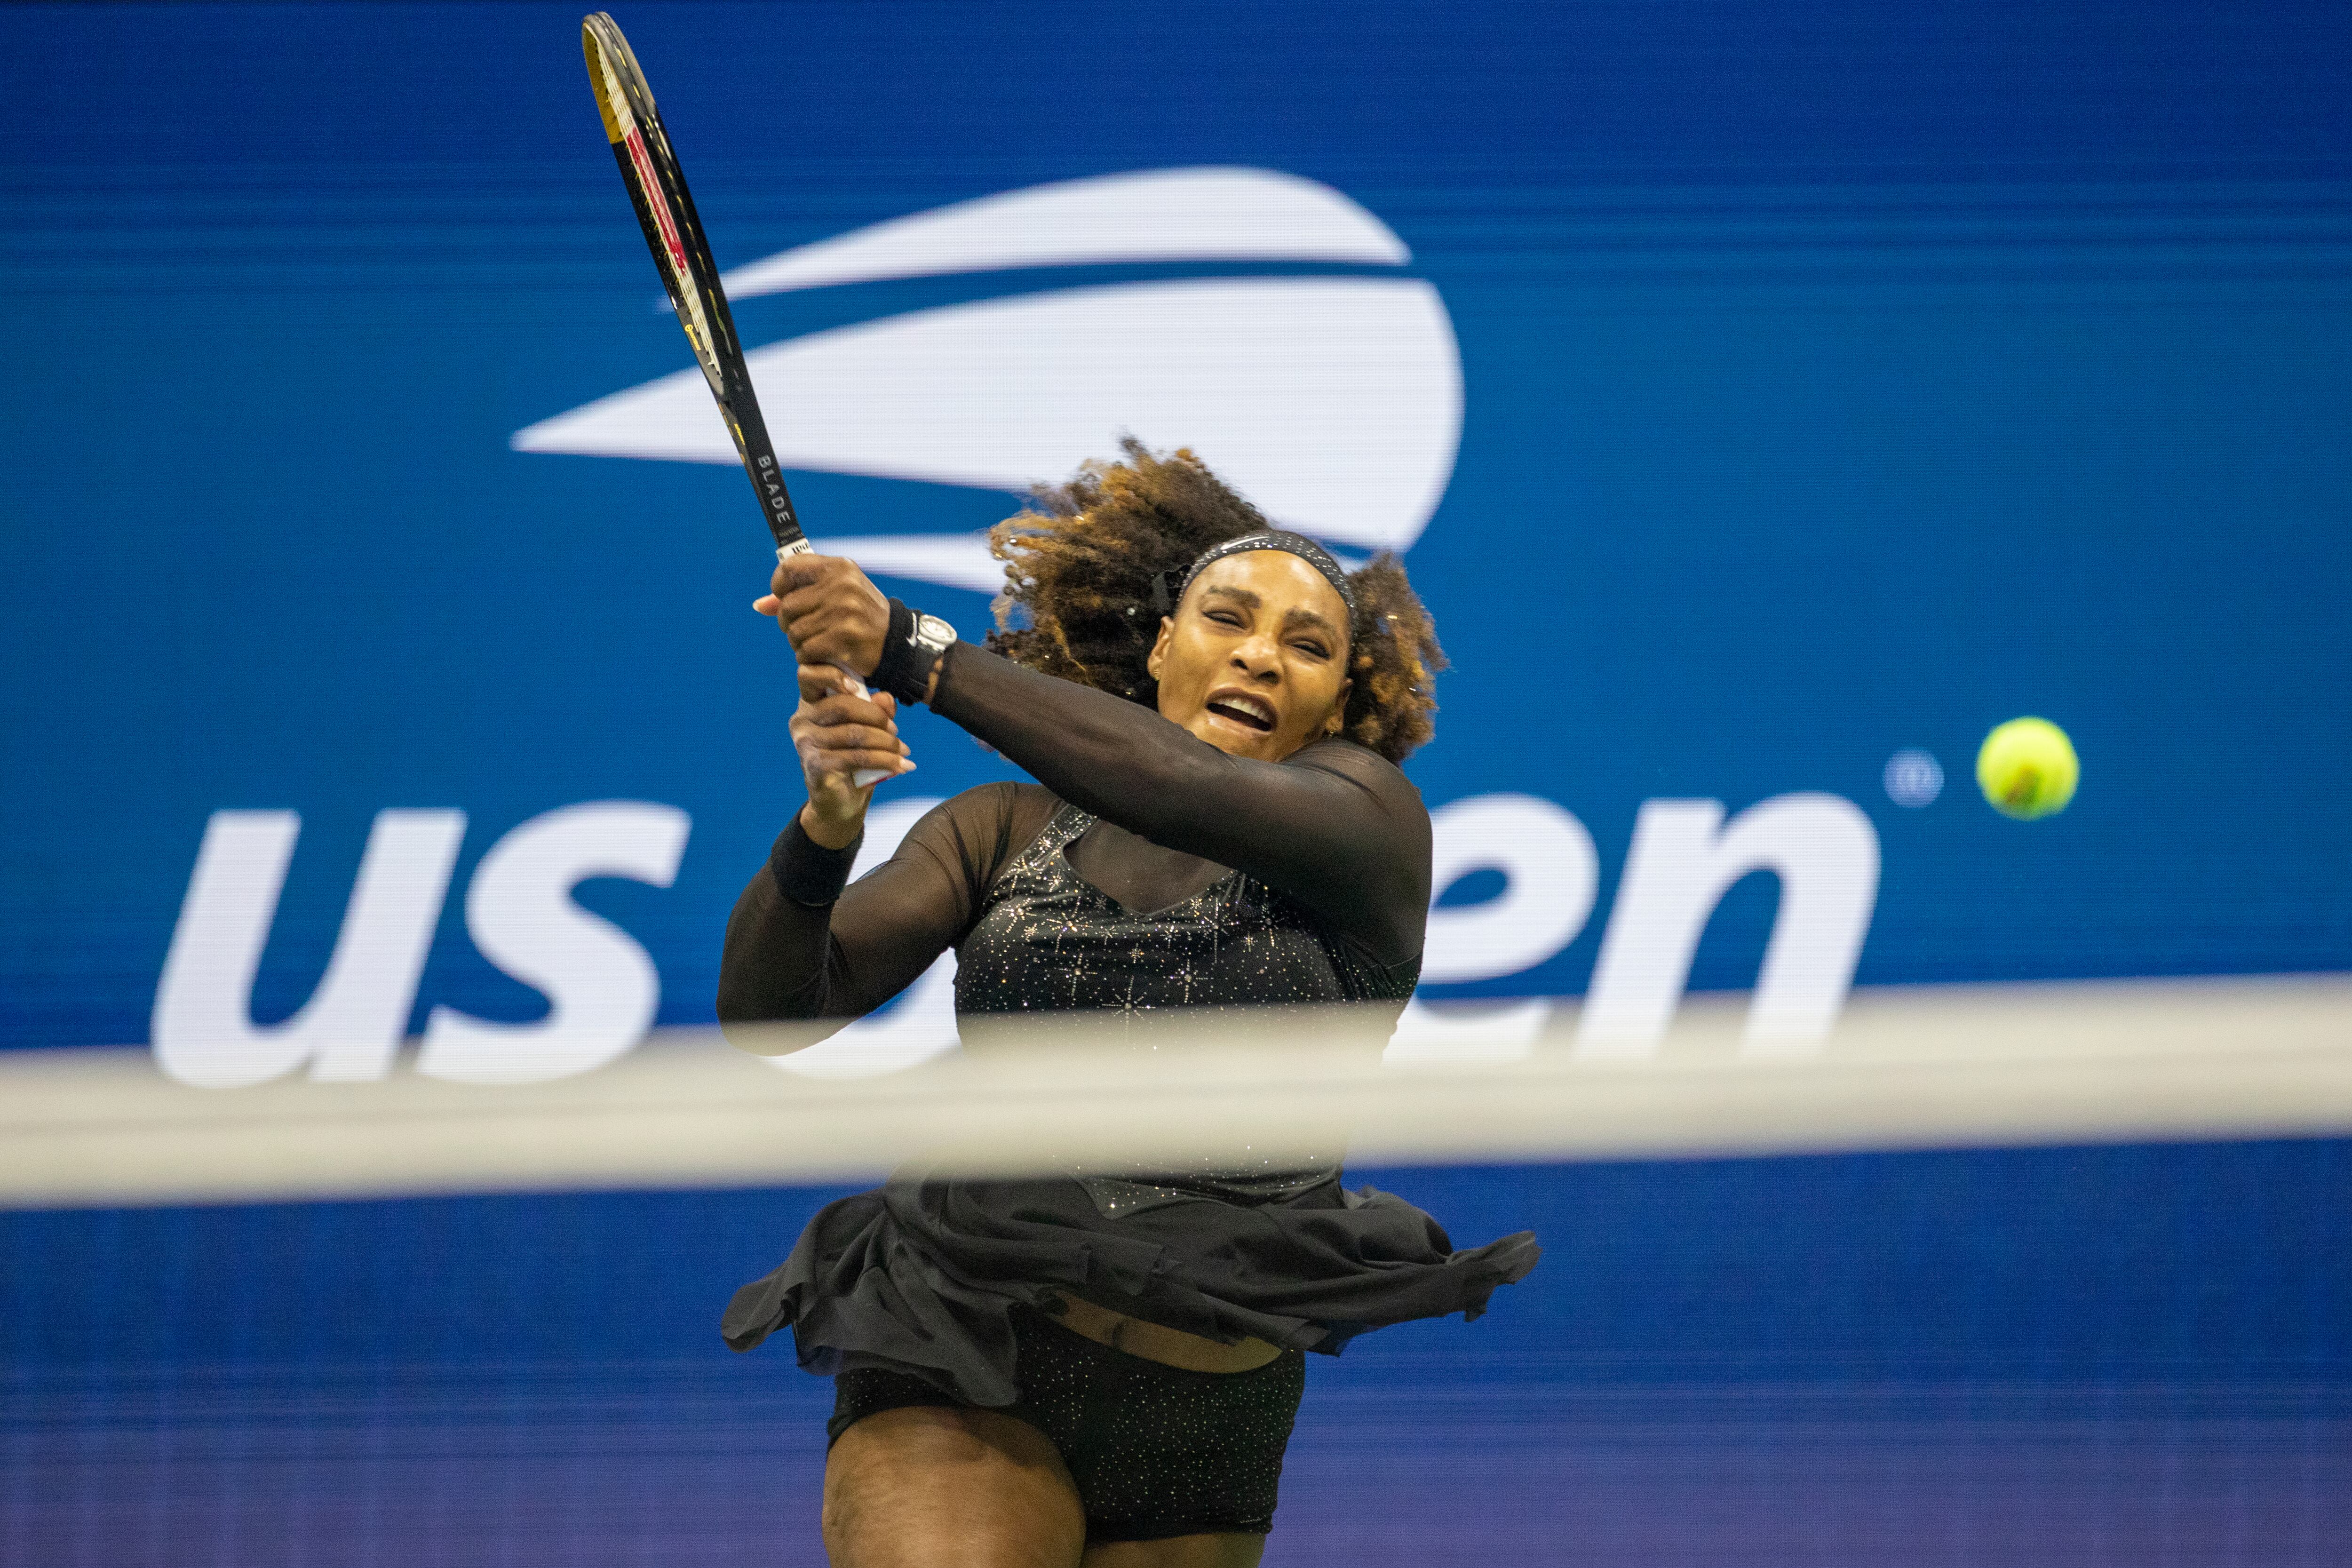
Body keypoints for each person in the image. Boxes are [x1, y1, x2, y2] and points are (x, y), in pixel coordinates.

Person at [717, 443, 1538, 1568]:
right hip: (965, 1348)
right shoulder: (999, 826)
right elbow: (773, 1014)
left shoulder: (1368, 832)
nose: (1261, 652)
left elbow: (1179, 785)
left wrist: (911, 649)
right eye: (1227, 618)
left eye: (1306, 644)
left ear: (1341, 701)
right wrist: (822, 836)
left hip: (1206, 1414)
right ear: (1160, 645)